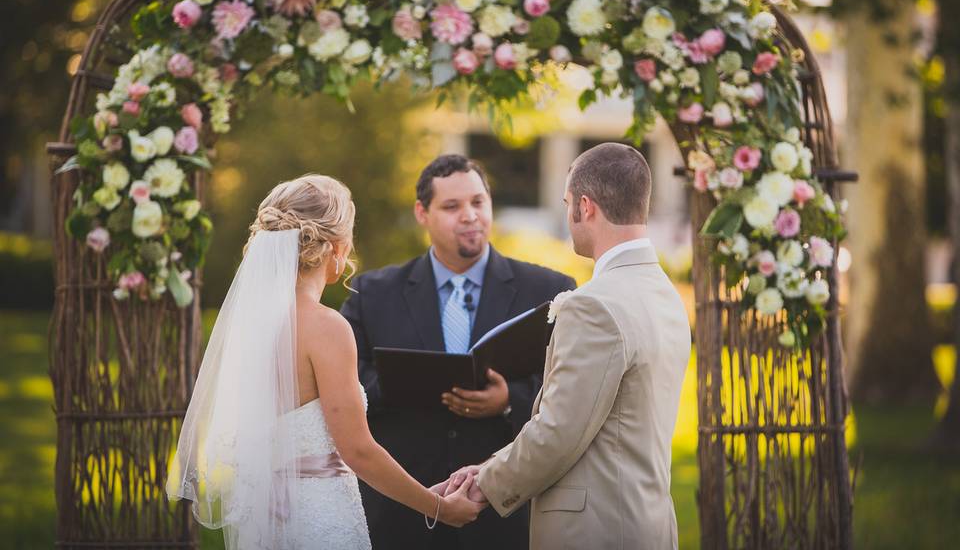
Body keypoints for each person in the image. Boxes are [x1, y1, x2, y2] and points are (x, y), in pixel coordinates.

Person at [167, 174, 483, 550]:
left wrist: (418, 492)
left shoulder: (250, 325)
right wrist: (439, 508)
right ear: (335, 248)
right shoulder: (326, 327)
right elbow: (358, 451)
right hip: (318, 515)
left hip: (268, 515)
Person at [443, 143, 692, 550]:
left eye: (566, 203)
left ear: (586, 206)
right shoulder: (664, 293)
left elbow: (559, 432)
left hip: (596, 531)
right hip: (647, 522)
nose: (568, 214)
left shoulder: (594, 305)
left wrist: (483, 485)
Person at [341, 155, 576, 549]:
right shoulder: (370, 295)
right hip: (403, 515)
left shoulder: (549, 291)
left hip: (506, 516)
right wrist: (407, 383)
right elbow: (346, 386)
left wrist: (509, 400)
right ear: (422, 213)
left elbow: (570, 389)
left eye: (477, 202)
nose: (469, 216)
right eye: (452, 207)